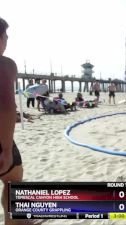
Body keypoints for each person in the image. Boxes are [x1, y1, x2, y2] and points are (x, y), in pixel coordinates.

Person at [0, 17, 33, 225]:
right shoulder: (5, 64)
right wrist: (5, 148)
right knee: (13, 181)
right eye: (5, 35)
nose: (7, 40)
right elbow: (5, 106)